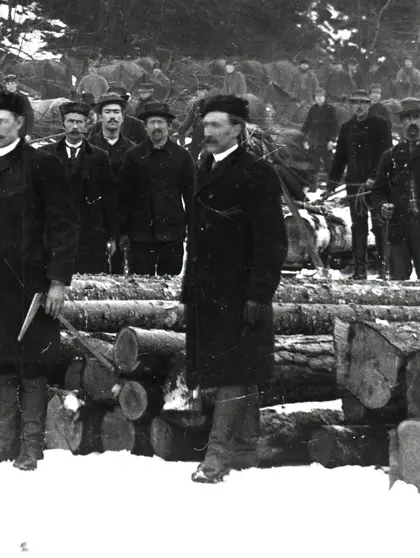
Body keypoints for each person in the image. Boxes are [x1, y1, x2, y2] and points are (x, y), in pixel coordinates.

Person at [0, 88, 77, 470]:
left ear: (20, 124)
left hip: (31, 287)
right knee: (2, 364)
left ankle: (31, 447)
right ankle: (4, 443)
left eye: (2, 122)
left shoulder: (42, 165)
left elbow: (64, 226)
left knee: (31, 365)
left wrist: (58, 282)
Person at [181, 94, 288, 484]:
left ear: (237, 129)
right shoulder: (204, 166)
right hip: (207, 290)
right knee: (238, 368)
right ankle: (245, 448)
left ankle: (218, 456)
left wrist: (260, 294)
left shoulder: (258, 172)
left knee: (233, 369)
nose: (206, 132)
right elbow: (197, 237)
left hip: (241, 291)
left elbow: (272, 241)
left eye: (215, 126)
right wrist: (188, 289)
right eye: (204, 125)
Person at [118, 103, 194, 276]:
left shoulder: (182, 156)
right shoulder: (133, 156)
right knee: (140, 285)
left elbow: (191, 197)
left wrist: (193, 231)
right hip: (140, 237)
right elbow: (124, 197)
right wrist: (122, 232)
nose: (156, 127)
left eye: (160, 122)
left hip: (172, 235)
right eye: (152, 123)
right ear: (145, 127)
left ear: (169, 125)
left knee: (169, 286)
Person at [329, 89, 392, 279]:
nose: (359, 106)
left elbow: (386, 154)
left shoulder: (380, 125)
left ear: (369, 104)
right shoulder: (346, 128)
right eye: (355, 103)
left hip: (377, 186)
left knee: (379, 225)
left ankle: (383, 269)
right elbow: (340, 157)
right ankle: (359, 270)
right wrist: (330, 185)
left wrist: (375, 177)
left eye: (363, 103)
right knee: (358, 227)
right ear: (350, 105)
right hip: (355, 185)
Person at [50, 101, 117, 274]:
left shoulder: (99, 156)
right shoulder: (46, 154)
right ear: (63, 124)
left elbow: (109, 198)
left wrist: (111, 236)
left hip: (90, 235)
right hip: (55, 235)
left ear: (86, 125)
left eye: (79, 122)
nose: (74, 126)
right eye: (70, 121)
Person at [369, 98, 420, 281]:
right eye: (407, 118)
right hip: (398, 229)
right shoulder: (390, 156)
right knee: (398, 284)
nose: (413, 122)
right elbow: (377, 192)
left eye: (417, 117)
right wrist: (382, 205)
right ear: (401, 123)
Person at [302, 90, 339, 180]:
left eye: (321, 96)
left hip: (326, 142)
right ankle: (313, 186)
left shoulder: (331, 109)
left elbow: (335, 127)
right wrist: (304, 139)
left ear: (325, 97)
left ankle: (331, 185)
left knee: (329, 164)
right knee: (314, 164)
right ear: (314, 97)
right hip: (314, 142)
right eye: (317, 96)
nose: (319, 98)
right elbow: (306, 125)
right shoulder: (312, 109)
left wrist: (332, 140)